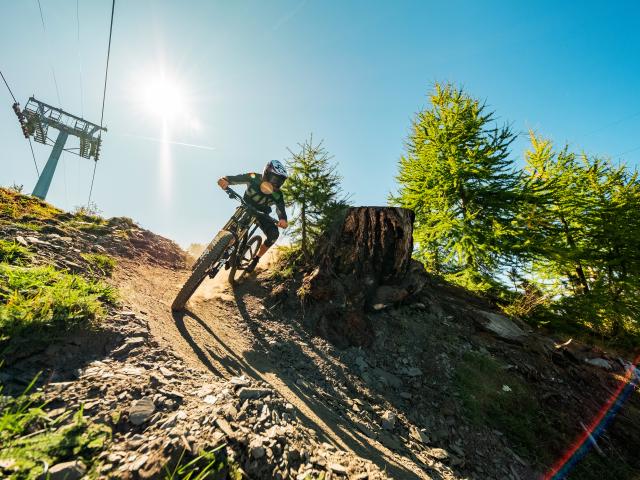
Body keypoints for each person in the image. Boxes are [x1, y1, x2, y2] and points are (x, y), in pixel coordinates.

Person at [217, 160, 288, 272]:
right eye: (274, 179)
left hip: (262, 214)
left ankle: (256, 259)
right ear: (266, 173)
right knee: (233, 228)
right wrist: (225, 180)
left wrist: (283, 219)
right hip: (246, 207)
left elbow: (281, 209)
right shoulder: (254, 177)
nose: (275, 184)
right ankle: (218, 249)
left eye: (279, 182)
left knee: (274, 234)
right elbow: (236, 178)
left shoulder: (278, 194)